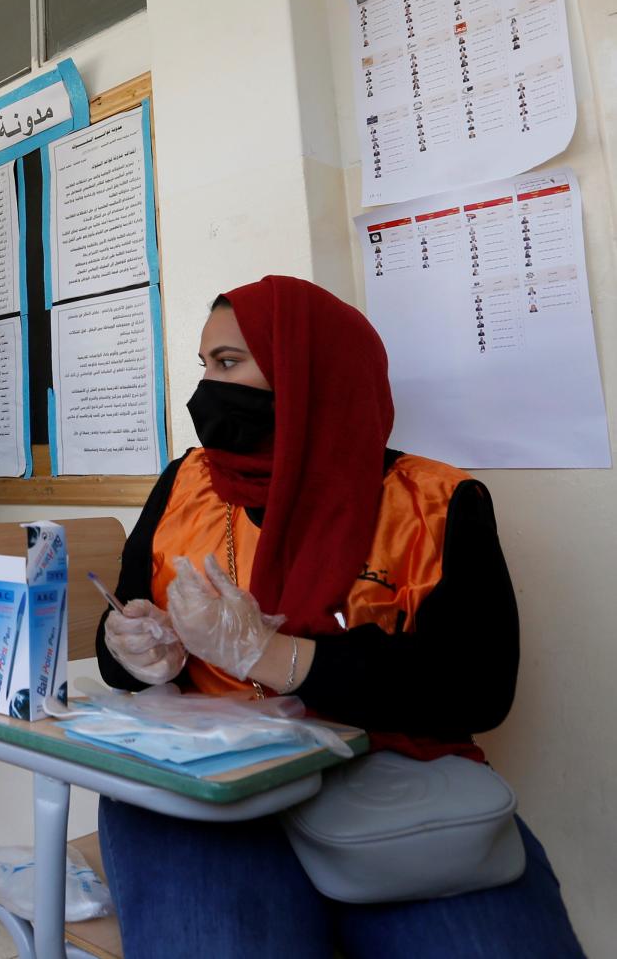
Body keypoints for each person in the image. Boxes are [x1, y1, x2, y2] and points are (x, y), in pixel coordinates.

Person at [92, 276, 583, 958]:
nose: (206, 388)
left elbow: (477, 687)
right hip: (207, 784)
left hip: (391, 784)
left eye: (228, 362)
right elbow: (121, 619)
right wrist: (133, 647)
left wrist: (279, 656)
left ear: (308, 370)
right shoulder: (184, 484)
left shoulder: (438, 502)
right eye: (203, 366)